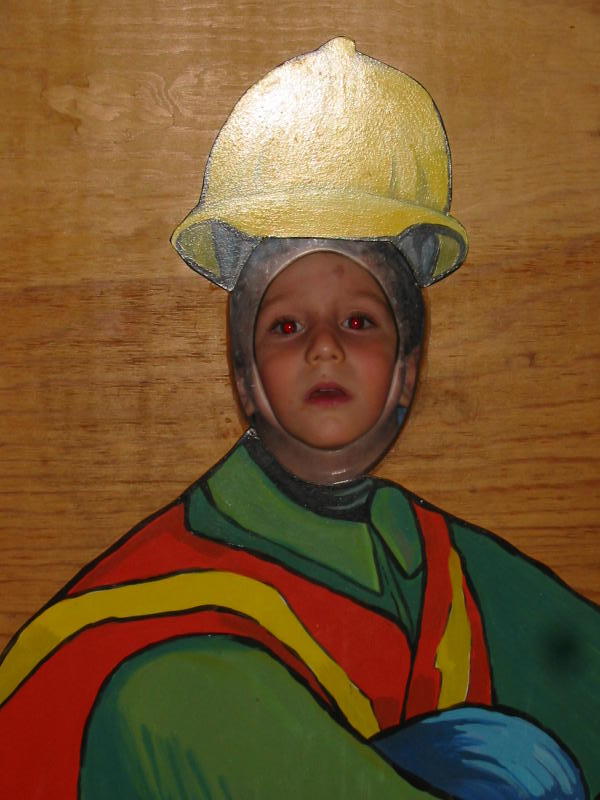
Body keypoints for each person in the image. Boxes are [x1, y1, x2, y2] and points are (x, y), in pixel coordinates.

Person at [0, 38, 597, 800]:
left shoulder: (443, 568)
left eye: (359, 322)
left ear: (408, 367)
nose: (324, 350)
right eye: (286, 326)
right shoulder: (163, 655)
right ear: (243, 374)